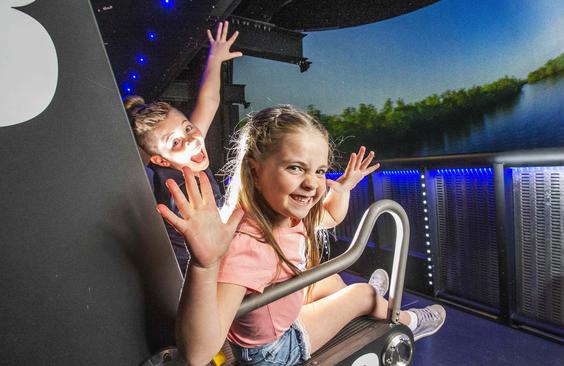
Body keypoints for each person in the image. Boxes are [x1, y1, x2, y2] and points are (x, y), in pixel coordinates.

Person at [157, 106, 447, 365]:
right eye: (295, 168)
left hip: (275, 312)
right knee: (362, 293)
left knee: (329, 279)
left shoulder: (284, 214)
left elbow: (331, 218)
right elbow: (197, 355)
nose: (311, 184)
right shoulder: (249, 245)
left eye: (320, 171)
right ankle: (409, 320)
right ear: (256, 172)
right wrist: (204, 265)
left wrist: (342, 188)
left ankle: (369, 303)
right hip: (273, 352)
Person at [125, 21, 242, 276]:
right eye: (175, 142)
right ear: (163, 161)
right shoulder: (175, 191)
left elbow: (209, 101)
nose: (191, 139)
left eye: (188, 127)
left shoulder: (187, 151)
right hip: (204, 278)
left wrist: (215, 58)